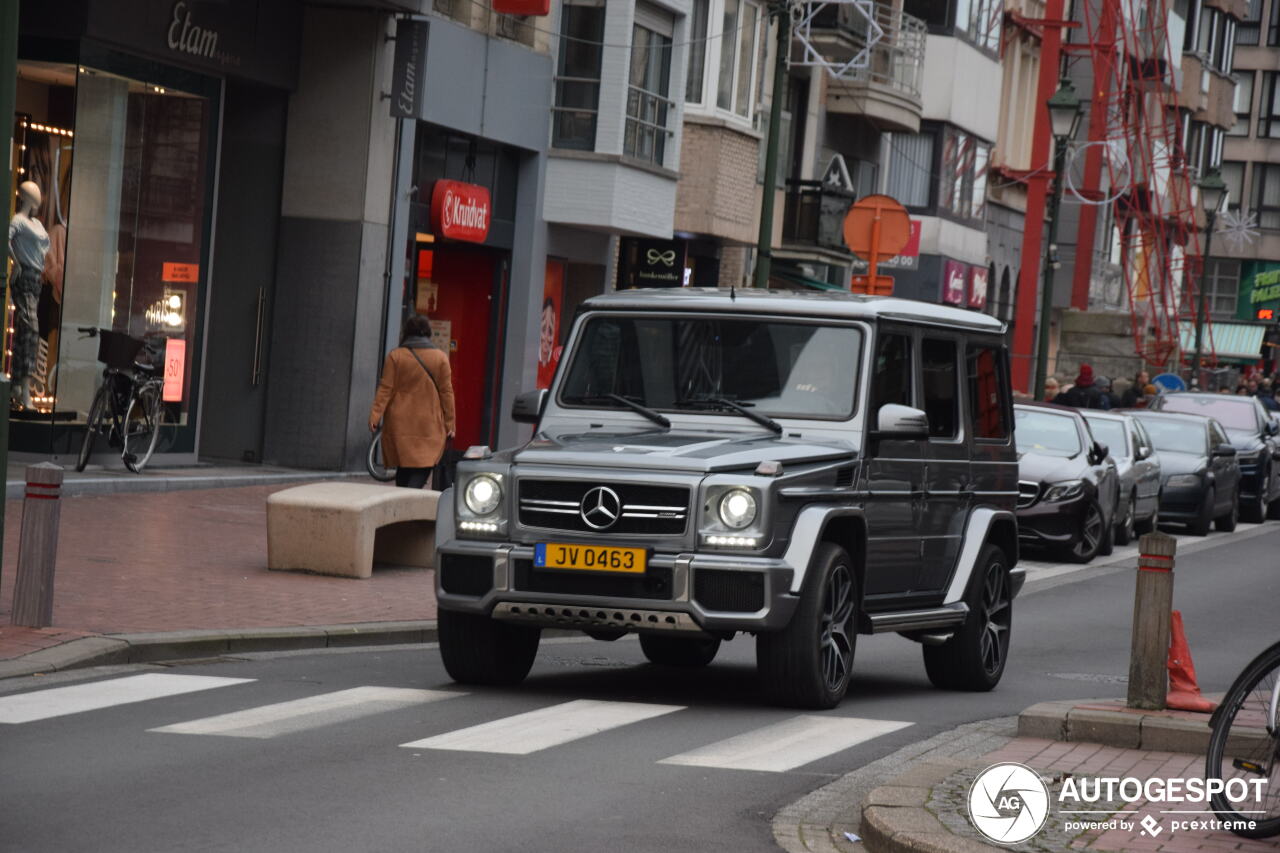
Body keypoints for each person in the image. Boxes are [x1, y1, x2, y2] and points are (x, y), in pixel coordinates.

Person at [368, 314, 456, 489]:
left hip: (400, 421)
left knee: (404, 465)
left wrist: (375, 415)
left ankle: (402, 503)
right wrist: (450, 423)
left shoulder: (396, 356)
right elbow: (446, 392)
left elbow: (386, 388)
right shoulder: (440, 358)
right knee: (424, 464)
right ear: (428, 333)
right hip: (428, 422)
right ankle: (408, 502)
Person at [8, 181, 49, 410]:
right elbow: (6, 239)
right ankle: (23, 388)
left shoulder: (36, 223)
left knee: (27, 333)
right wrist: (15, 263)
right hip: (24, 277)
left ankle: (17, 384)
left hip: (36, 281)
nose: (38, 196)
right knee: (31, 330)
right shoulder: (18, 221)